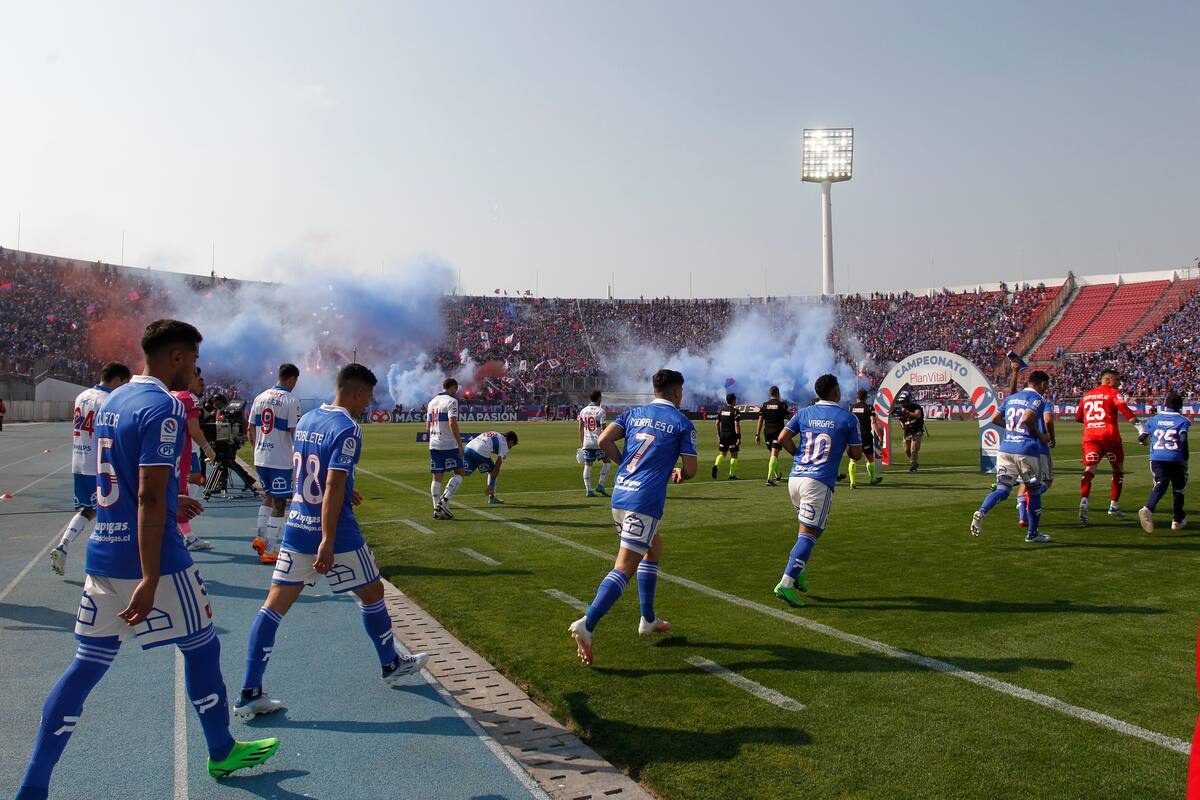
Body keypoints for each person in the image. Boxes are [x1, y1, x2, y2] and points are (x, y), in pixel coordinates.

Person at [16, 320, 279, 799]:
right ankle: (221, 750)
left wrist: (169, 500)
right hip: (151, 557)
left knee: (85, 666)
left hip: (102, 554)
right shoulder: (162, 407)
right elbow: (149, 498)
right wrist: (152, 574)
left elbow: (125, 477)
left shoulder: (112, 400)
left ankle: (33, 784)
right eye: (194, 360)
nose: (196, 371)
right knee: (202, 646)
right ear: (176, 356)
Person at [234, 364, 428, 718]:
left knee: (273, 608)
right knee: (373, 594)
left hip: (296, 525)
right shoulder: (348, 428)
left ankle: (250, 689)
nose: (367, 404)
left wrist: (341, 493)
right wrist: (327, 539)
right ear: (356, 393)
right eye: (367, 397)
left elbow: (311, 474)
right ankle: (390, 663)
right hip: (335, 532)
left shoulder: (308, 419)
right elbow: (333, 485)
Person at [568, 369, 697, 665]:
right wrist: (679, 473)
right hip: (644, 499)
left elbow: (603, 440)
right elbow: (690, 469)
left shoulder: (633, 413)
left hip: (621, 493)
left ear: (654, 389)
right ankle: (588, 623)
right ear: (678, 392)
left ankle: (648, 618)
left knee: (654, 548)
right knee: (625, 565)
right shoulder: (681, 423)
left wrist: (624, 463)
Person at [772, 374, 863, 608]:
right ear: (836, 392)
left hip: (795, 479)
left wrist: (800, 457)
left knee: (813, 529)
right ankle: (786, 582)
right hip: (818, 482)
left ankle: (797, 568)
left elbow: (782, 438)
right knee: (808, 534)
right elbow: (856, 455)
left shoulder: (803, 412)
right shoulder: (847, 418)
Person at [50, 361, 132, 576]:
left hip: (79, 460)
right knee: (111, 512)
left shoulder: (81, 396)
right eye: (124, 383)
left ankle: (63, 545)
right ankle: (105, 561)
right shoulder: (110, 400)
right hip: (100, 465)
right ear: (117, 380)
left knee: (89, 509)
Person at [970, 370, 1053, 543]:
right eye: (1046, 385)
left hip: (1006, 448)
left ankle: (982, 511)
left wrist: (1009, 428)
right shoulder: (1038, 399)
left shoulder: (1011, 398)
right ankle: (1032, 533)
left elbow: (994, 418)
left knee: (1002, 489)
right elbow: (1028, 419)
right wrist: (1041, 436)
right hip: (1026, 450)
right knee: (1035, 491)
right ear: (1042, 384)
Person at [249, 364, 302, 564]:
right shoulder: (291, 400)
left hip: (261, 456)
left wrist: (258, 448)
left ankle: (260, 538)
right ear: (291, 379)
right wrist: (299, 456)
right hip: (280, 459)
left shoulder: (259, 397)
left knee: (268, 496)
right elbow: (294, 431)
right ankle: (270, 550)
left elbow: (250, 428)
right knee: (280, 503)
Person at [1075, 369, 1142, 524]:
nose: (1119, 383)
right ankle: (1113, 505)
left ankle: (1084, 500)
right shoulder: (1113, 392)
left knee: (1089, 469)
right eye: (1117, 380)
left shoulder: (1087, 395)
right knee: (1118, 469)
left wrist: (1093, 424)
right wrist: (1139, 427)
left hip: (1090, 436)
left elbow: (1078, 417)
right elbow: (1124, 409)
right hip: (1110, 436)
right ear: (1108, 380)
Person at [1006, 362, 1055, 530]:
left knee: (1024, 482)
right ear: (1042, 384)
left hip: (1018, 444)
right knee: (1046, 481)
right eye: (1046, 385)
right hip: (1037, 446)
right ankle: (1030, 504)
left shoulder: (1018, 399)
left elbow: (1011, 394)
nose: (1046, 389)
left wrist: (1014, 372)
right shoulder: (1041, 401)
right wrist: (1050, 438)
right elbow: (1048, 420)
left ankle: (1022, 518)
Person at [174, 367, 217, 552]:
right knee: (182, 495)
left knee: (184, 488)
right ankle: (185, 537)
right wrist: (208, 448)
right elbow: (195, 430)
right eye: (199, 380)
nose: (202, 385)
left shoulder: (170, 394)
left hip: (169, 452)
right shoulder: (186, 397)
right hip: (181, 453)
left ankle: (183, 533)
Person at [1137, 392, 1189, 533]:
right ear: (1180, 406)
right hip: (1174, 457)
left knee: (1161, 483)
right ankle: (1177, 520)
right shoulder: (1183, 420)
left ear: (1165, 404)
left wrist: (1142, 436)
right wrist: (1185, 460)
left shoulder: (1154, 419)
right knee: (1179, 487)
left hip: (1157, 458)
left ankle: (1148, 508)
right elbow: (1183, 440)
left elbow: (1142, 439)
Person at [428, 378, 465, 520]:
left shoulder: (431, 402)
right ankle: (445, 500)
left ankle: (437, 509)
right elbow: (452, 422)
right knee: (460, 473)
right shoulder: (451, 401)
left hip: (434, 443)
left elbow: (427, 426)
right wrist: (460, 444)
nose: (456, 392)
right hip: (448, 444)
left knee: (437, 477)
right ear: (453, 388)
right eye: (456, 390)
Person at [463, 430, 519, 504]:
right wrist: (491, 484)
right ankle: (492, 496)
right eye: (512, 445)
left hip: (468, 448)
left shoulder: (496, 434)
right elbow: (497, 465)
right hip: (480, 451)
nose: (510, 448)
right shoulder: (504, 445)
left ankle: (445, 497)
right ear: (511, 441)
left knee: (461, 473)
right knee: (492, 470)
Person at [577, 390, 611, 497]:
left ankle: (588, 490)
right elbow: (603, 428)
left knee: (588, 465)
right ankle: (600, 485)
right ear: (599, 398)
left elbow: (580, 428)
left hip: (587, 442)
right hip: (598, 442)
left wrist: (582, 443)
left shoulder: (583, 411)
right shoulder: (601, 411)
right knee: (607, 463)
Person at [846, 388, 882, 489]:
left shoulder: (851, 408)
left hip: (854, 436)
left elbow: (848, 422)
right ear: (866, 397)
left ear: (857, 397)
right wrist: (878, 435)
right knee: (870, 458)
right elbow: (873, 422)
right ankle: (873, 479)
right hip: (866, 435)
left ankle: (852, 482)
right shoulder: (869, 407)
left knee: (853, 460)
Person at [755, 386, 789, 486]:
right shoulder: (782, 405)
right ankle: (769, 479)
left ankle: (777, 475)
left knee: (772, 455)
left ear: (770, 393)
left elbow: (760, 420)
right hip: (777, 432)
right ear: (778, 393)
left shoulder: (764, 405)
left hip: (767, 432)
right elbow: (788, 417)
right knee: (774, 455)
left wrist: (757, 434)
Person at [711, 393, 741, 480]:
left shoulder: (721, 410)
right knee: (734, 455)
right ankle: (731, 475)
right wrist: (738, 437)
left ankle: (716, 465)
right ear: (734, 401)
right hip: (732, 435)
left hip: (723, 435)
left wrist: (718, 434)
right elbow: (737, 425)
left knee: (722, 454)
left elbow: (717, 423)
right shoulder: (735, 411)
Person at [900, 399, 925, 472]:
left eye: (903, 401)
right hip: (907, 431)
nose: (902, 403)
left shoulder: (915, 407)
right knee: (907, 450)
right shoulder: (901, 409)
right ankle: (914, 461)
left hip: (917, 430)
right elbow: (900, 419)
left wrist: (907, 412)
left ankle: (913, 465)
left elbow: (918, 415)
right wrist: (902, 425)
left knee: (914, 449)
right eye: (901, 402)